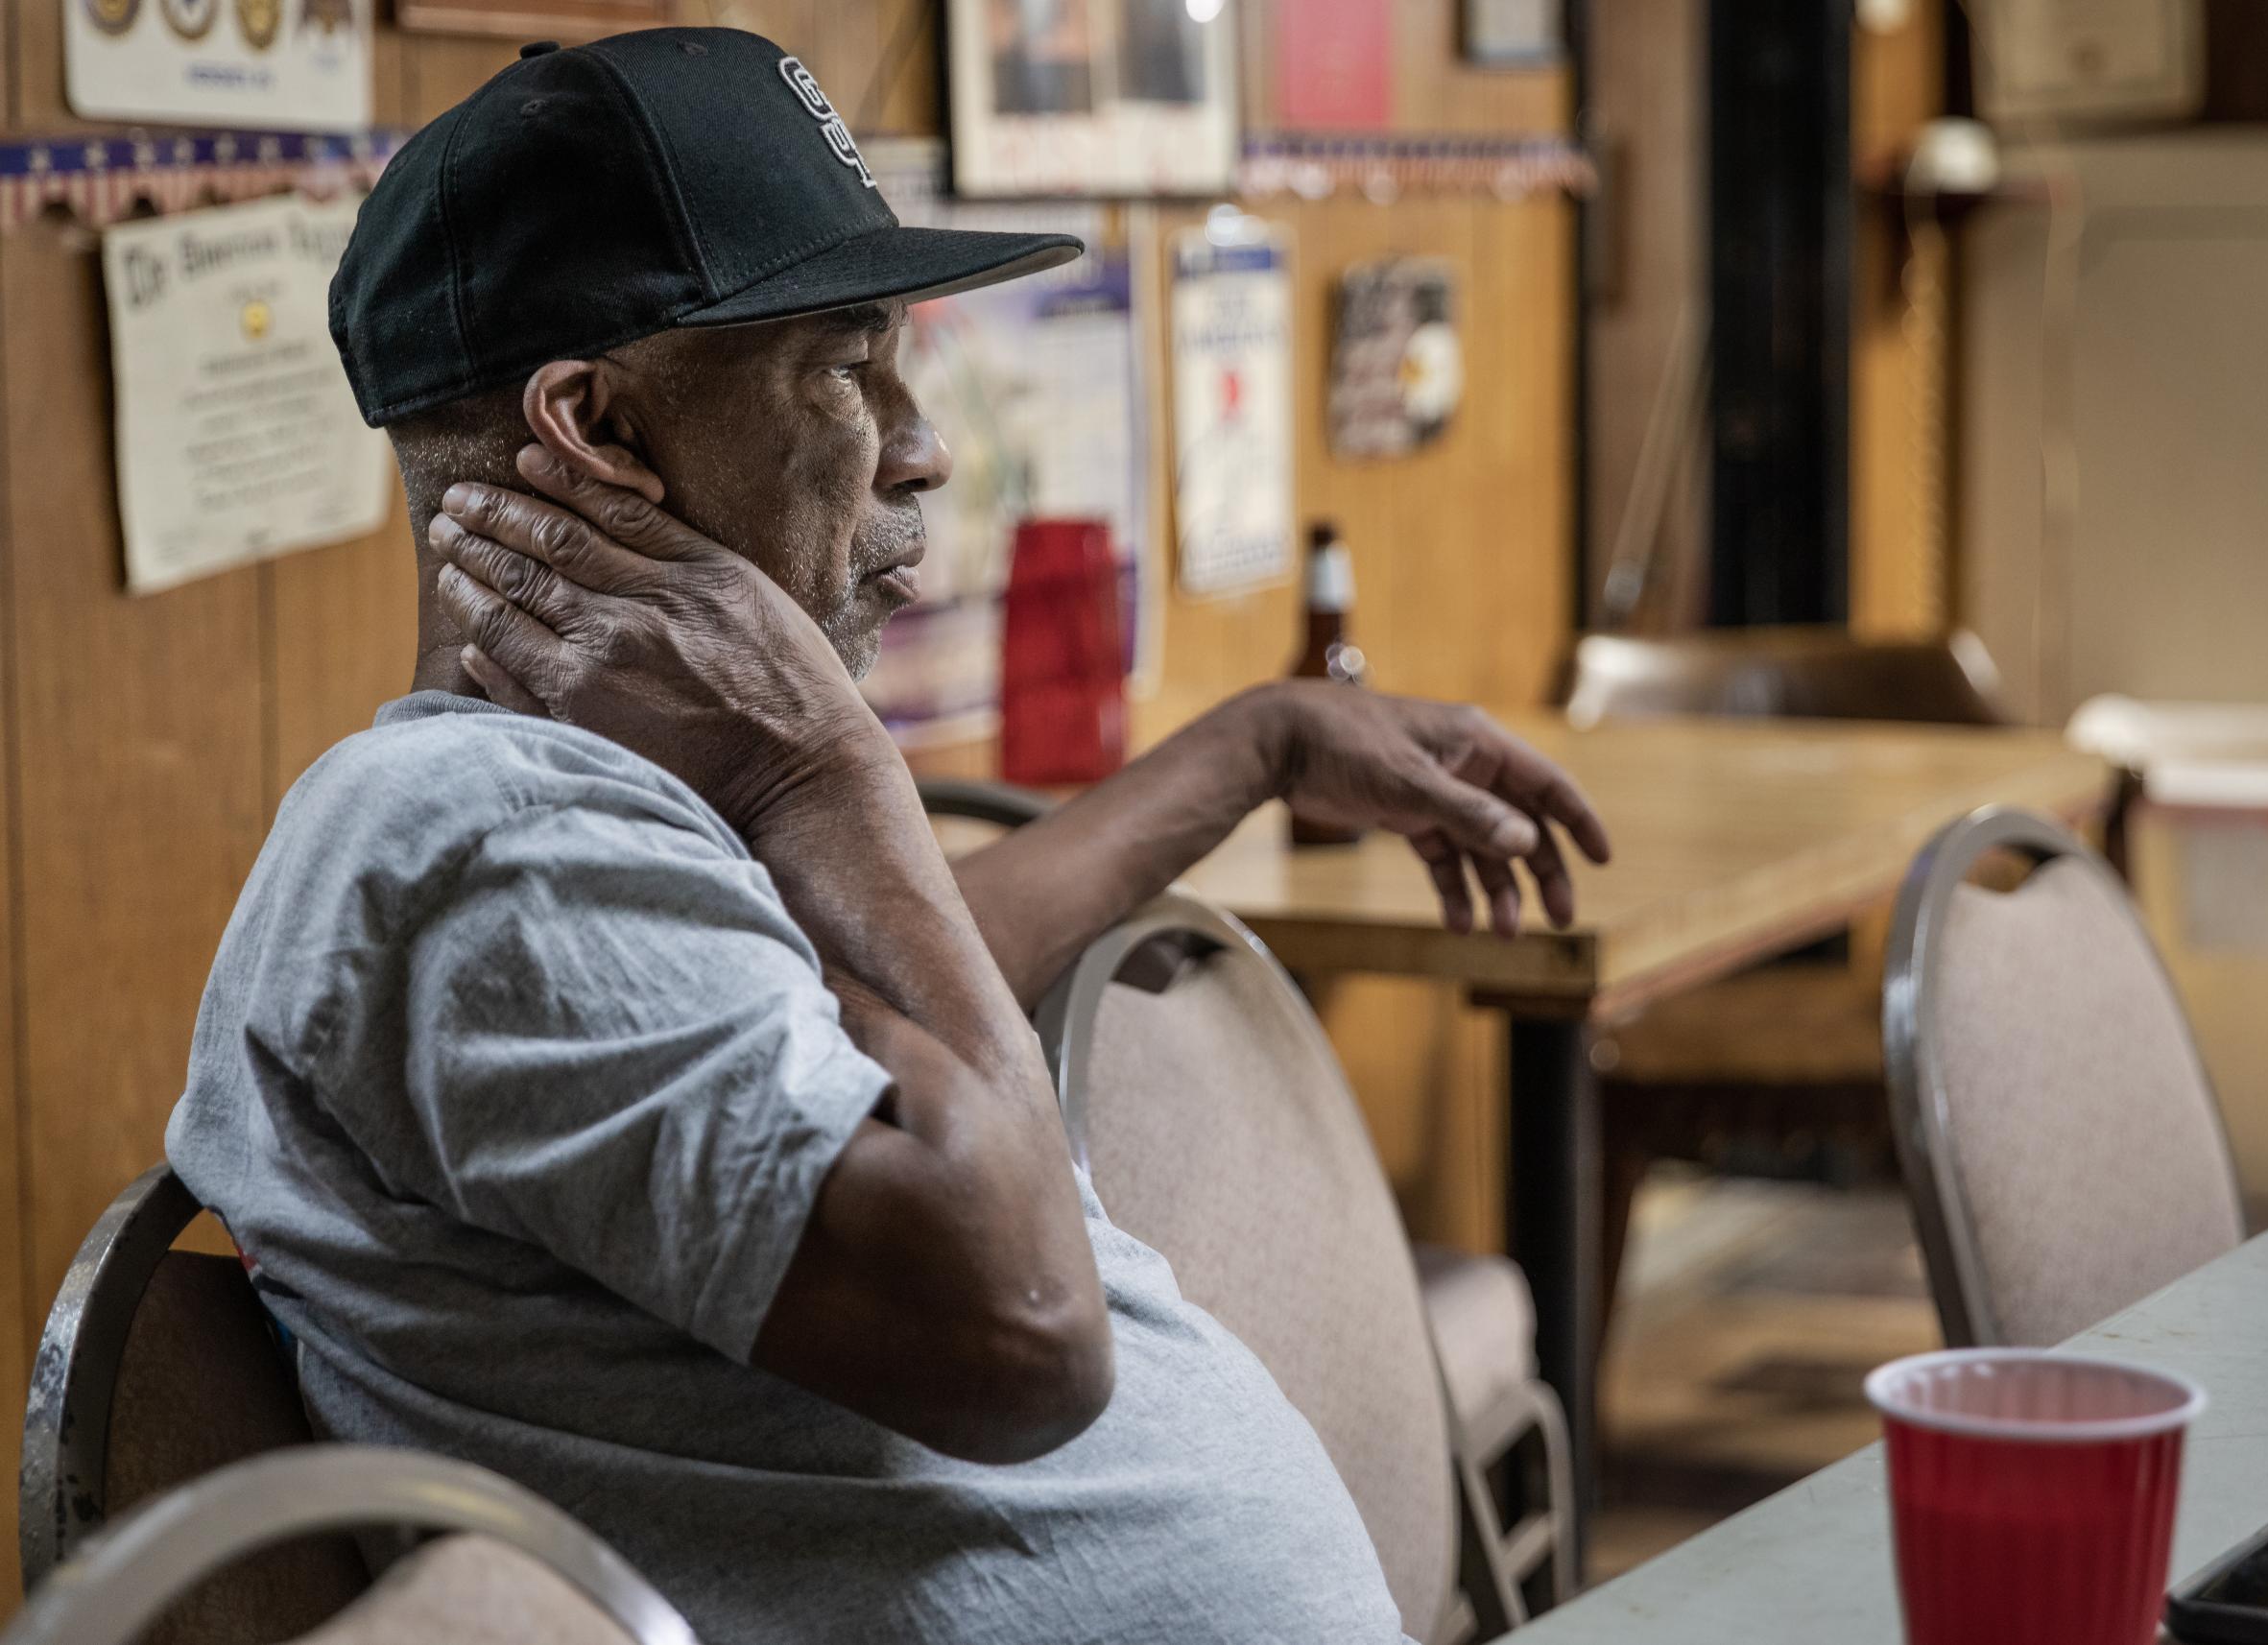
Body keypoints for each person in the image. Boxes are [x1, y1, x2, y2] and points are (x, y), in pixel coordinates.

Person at [167, 28, 1610, 1645]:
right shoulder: (486, 849)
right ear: (601, 430)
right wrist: (827, 775)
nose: (920, 440)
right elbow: (1033, 1325)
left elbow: (898, 996)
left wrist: (1258, 744)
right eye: (848, 363)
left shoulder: (572, 829)